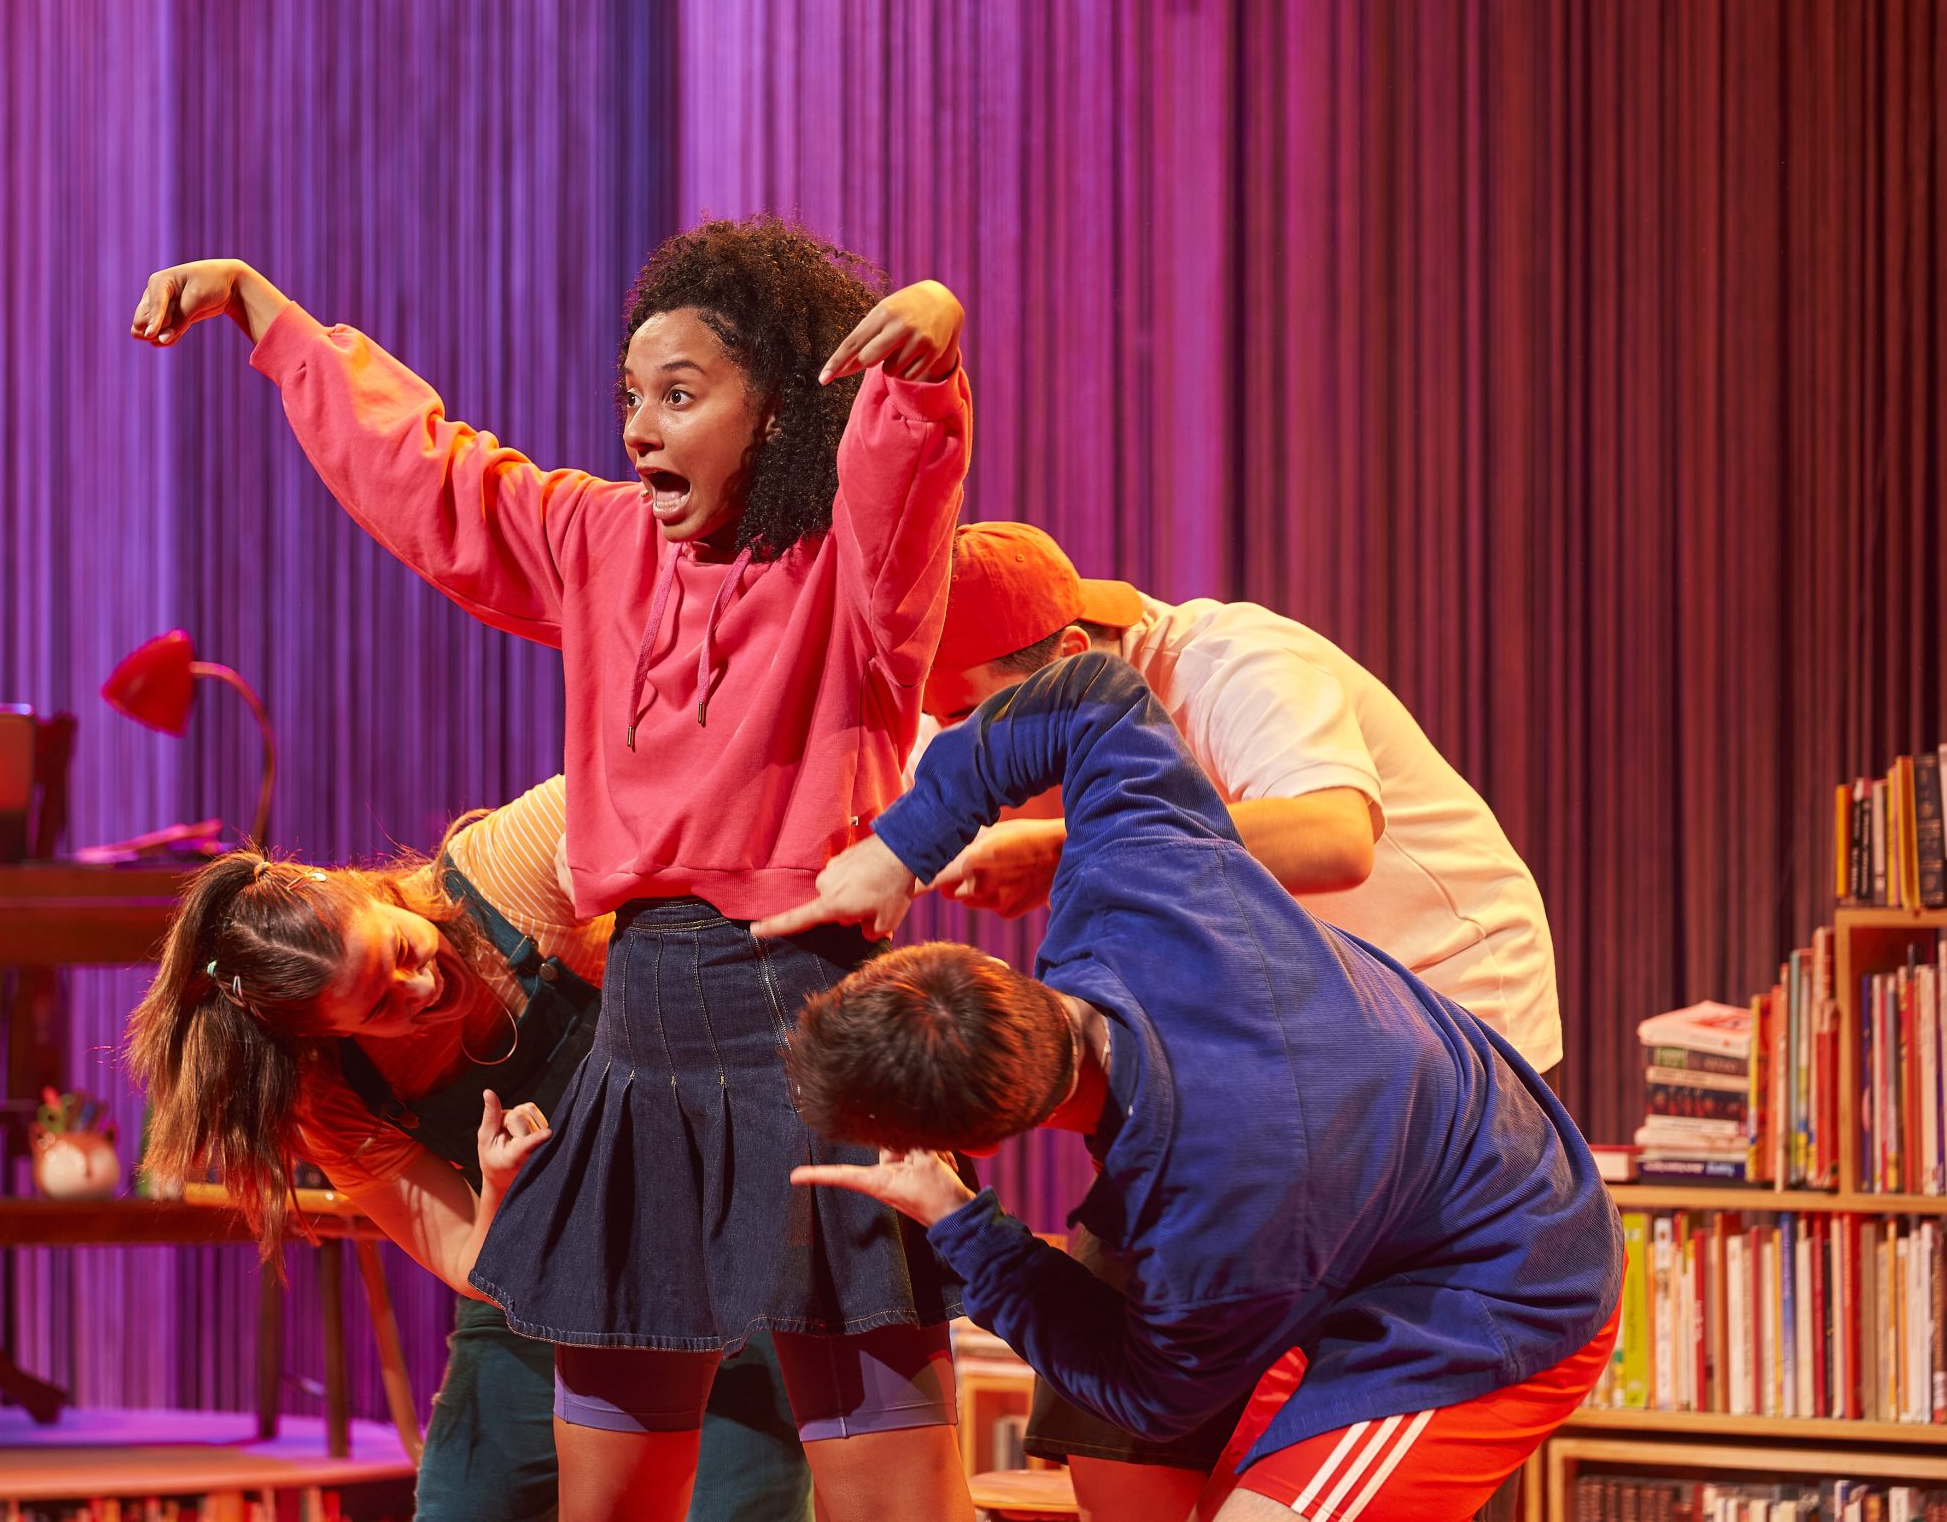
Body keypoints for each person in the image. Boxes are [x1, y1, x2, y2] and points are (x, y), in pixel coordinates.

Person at [130, 217, 976, 1522]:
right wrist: (270, 320)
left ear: (779, 406)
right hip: (643, 1039)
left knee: (886, 1503)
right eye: (631, 397)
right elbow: (432, 480)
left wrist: (924, 365)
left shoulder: (845, 569)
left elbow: (900, 483)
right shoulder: (601, 541)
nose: (639, 429)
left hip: (808, 1026)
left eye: (679, 395)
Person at [760, 654, 1623, 1522]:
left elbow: (1150, 1393)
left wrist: (962, 1225)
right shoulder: (1141, 876)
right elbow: (1091, 695)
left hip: (1498, 1279)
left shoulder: (1218, 1204)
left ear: (982, 1143)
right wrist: (901, 848)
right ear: (983, 970)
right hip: (1370, 1212)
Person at [126, 776, 810, 1522]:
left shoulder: (506, 869)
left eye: (400, 950)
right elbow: (466, 1260)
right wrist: (502, 1192)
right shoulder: (329, 1094)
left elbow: (693, 785)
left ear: (355, 889)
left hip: (719, 1249)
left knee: (740, 1505)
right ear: (323, 1034)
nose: (419, 987)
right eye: (381, 1007)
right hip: (539, 1288)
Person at [919, 521, 1562, 1078]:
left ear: (1070, 661)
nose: (949, 742)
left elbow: (1335, 837)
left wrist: (1070, 853)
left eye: (966, 718)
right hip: (1289, 1010)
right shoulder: (977, 699)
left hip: (1442, 992)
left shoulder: (1232, 667)